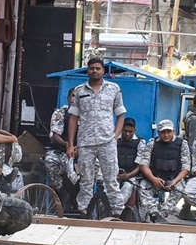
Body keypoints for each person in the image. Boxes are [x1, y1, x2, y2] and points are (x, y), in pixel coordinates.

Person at [66, 58, 127, 216]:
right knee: (86, 180)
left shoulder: (113, 89)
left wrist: (115, 136)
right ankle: (83, 212)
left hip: (107, 142)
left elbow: (121, 115)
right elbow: (73, 118)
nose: (94, 71)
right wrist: (70, 144)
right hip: (85, 143)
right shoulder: (79, 91)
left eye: (98, 68)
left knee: (111, 180)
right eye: (92, 68)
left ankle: (117, 213)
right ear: (88, 70)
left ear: (103, 71)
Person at [136, 119, 191, 223]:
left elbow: (186, 168)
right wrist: (153, 179)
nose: (166, 135)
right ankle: (153, 212)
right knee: (142, 188)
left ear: (173, 131)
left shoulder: (182, 144)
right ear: (158, 133)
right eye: (163, 132)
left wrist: (175, 181)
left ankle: (161, 214)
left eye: (168, 132)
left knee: (181, 191)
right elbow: (143, 165)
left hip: (173, 179)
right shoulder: (152, 143)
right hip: (155, 178)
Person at [45, 89, 77, 192]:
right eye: (72, 96)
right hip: (61, 151)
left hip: (81, 152)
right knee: (50, 161)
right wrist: (67, 145)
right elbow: (54, 137)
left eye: (77, 97)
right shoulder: (60, 113)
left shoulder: (87, 116)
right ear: (68, 98)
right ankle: (61, 191)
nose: (74, 99)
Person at [115, 117, 145, 211]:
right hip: (114, 175)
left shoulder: (140, 142)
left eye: (130, 131)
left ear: (134, 130)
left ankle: (116, 210)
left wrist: (127, 176)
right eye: (125, 130)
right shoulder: (114, 140)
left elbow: (140, 166)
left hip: (131, 176)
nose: (127, 134)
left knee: (127, 188)